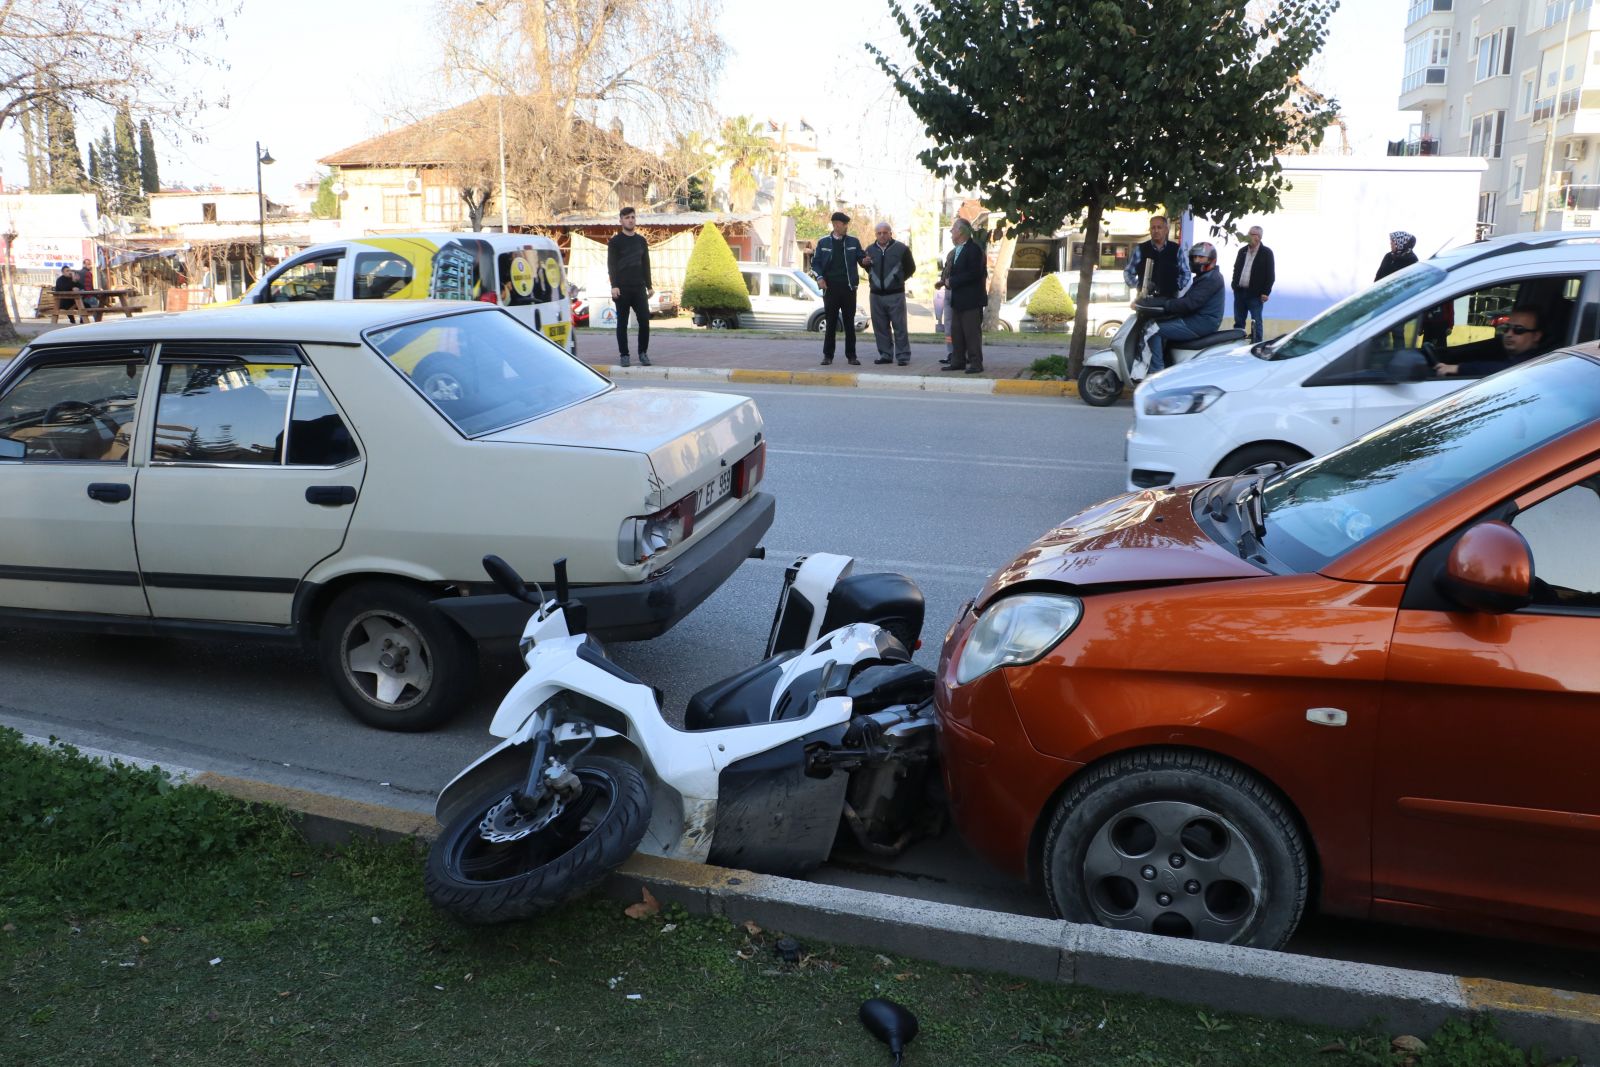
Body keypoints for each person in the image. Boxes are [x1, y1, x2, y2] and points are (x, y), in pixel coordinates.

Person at [1146, 242, 1224, 374]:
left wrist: (1165, 304)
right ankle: (1168, 368)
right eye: (1194, 257)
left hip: (1201, 323)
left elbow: (1190, 303)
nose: (1196, 260)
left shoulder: (1211, 279)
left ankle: (1156, 371)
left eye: (1201, 257)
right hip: (1198, 319)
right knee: (1162, 326)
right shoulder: (1205, 277)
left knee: (1153, 330)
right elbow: (1188, 302)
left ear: (1211, 260)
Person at [811, 211, 867, 366]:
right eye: (842, 225)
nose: (845, 227)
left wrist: (865, 260)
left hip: (849, 288)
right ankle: (827, 356)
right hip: (831, 289)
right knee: (831, 322)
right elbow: (815, 263)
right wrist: (820, 278)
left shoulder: (853, 242)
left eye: (845, 225)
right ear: (835, 225)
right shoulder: (823, 243)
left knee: (849, 323)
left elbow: (861, 258)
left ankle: (852, 356)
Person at [1435, 306, 1553, 377]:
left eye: (1518, 330)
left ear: (1536, 336)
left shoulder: (1538, 363)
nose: (1509, 334)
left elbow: (1507, 370)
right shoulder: (1509, 353)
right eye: (1506, 328)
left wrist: (1458, 369)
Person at [863, 221, 916, 366]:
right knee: (880, 327)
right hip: (876, 295)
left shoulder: (901, 249)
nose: (882, 235)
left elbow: (911, 268)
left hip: (896, 294)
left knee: (900, 326)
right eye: (879, 233)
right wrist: (865, 264)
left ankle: (903, 356)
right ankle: (885, 355)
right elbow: (866, 267)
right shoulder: (869, 250)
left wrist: (898, 279)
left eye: (885, 232)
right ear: (876, 235)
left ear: (890, 233)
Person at [607, 206, 652, 366]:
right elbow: (611, 265)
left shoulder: (641, 241)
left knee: (644, 321)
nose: (630, 220)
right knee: (622, 323)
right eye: (627, 217)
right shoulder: (615, 242)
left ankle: (643, 353)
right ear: (621, 221)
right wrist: (614, 285)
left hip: (639, 287)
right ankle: (624, 355)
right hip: (622, 289)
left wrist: (649, 285)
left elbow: (646, 263)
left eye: (632, 217)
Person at [942, 217, 987, 374]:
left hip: (971, 300)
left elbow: (974, 273)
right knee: (957, 332)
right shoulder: (957, 250)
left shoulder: (974, 249)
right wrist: (945, 281)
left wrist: (952, 281)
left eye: (953, 229)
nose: (951, 232)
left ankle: (976, 363)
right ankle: (958, 361)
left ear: (961, 231)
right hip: (958, 300)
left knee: (971, 333)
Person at [1124, 215, 1189, 300]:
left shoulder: (1176, 249)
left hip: (1170, 302)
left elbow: (1186, 273)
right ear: (1150, 230)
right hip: (1145, 301)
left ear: (1166, 230)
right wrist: (1139, 286)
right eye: (1153, 228)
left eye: (1159, 227)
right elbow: (1128, 272)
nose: (1156, 231)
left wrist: (1177, 286)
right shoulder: (1140, 249)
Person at [1230, 226, 1273, 344]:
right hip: (1239, 292)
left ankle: (1257, 345)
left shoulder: (1266, 253)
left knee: (1256, 321)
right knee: (1238, 321)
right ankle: (1237, 343)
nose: (1248, 236)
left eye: (1252, 234)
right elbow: (1236, 268)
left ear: (1258, 238)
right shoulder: (1242, 250)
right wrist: (1234, 284)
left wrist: (1266, 292)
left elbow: (1270, 274)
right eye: (1249, 233)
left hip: (1255, 294)